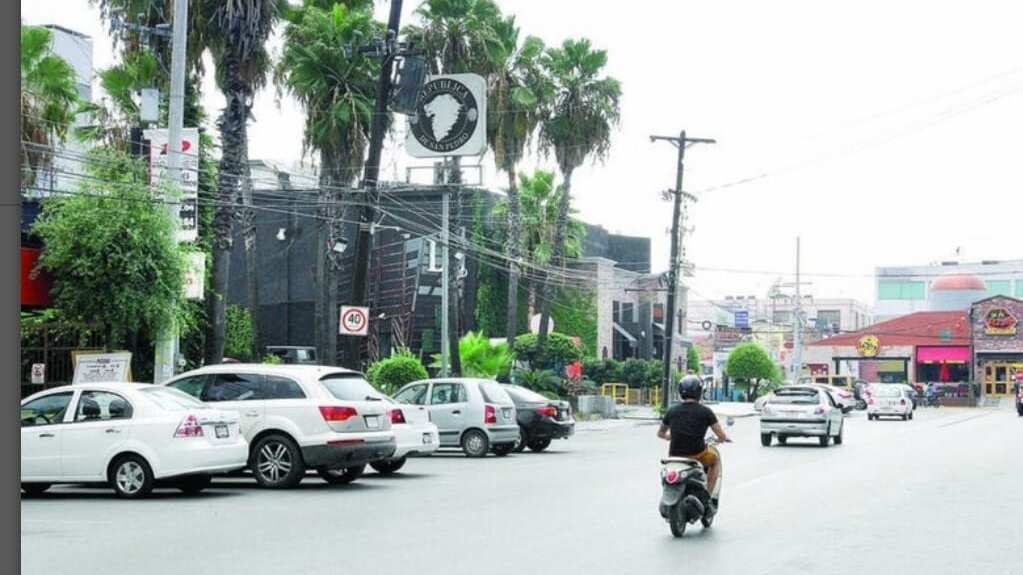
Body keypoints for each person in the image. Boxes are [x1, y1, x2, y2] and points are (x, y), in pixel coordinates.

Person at [657, 375, 732, 502]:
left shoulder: (672, 411)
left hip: (674, 456)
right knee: (714, 461)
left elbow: (660, 433)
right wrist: (723, 438)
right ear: (699, 393)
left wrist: (670, 436)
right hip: (697, 455)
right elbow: (721, 435)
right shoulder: (706, 412)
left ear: (681, 392)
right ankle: (707, 496)